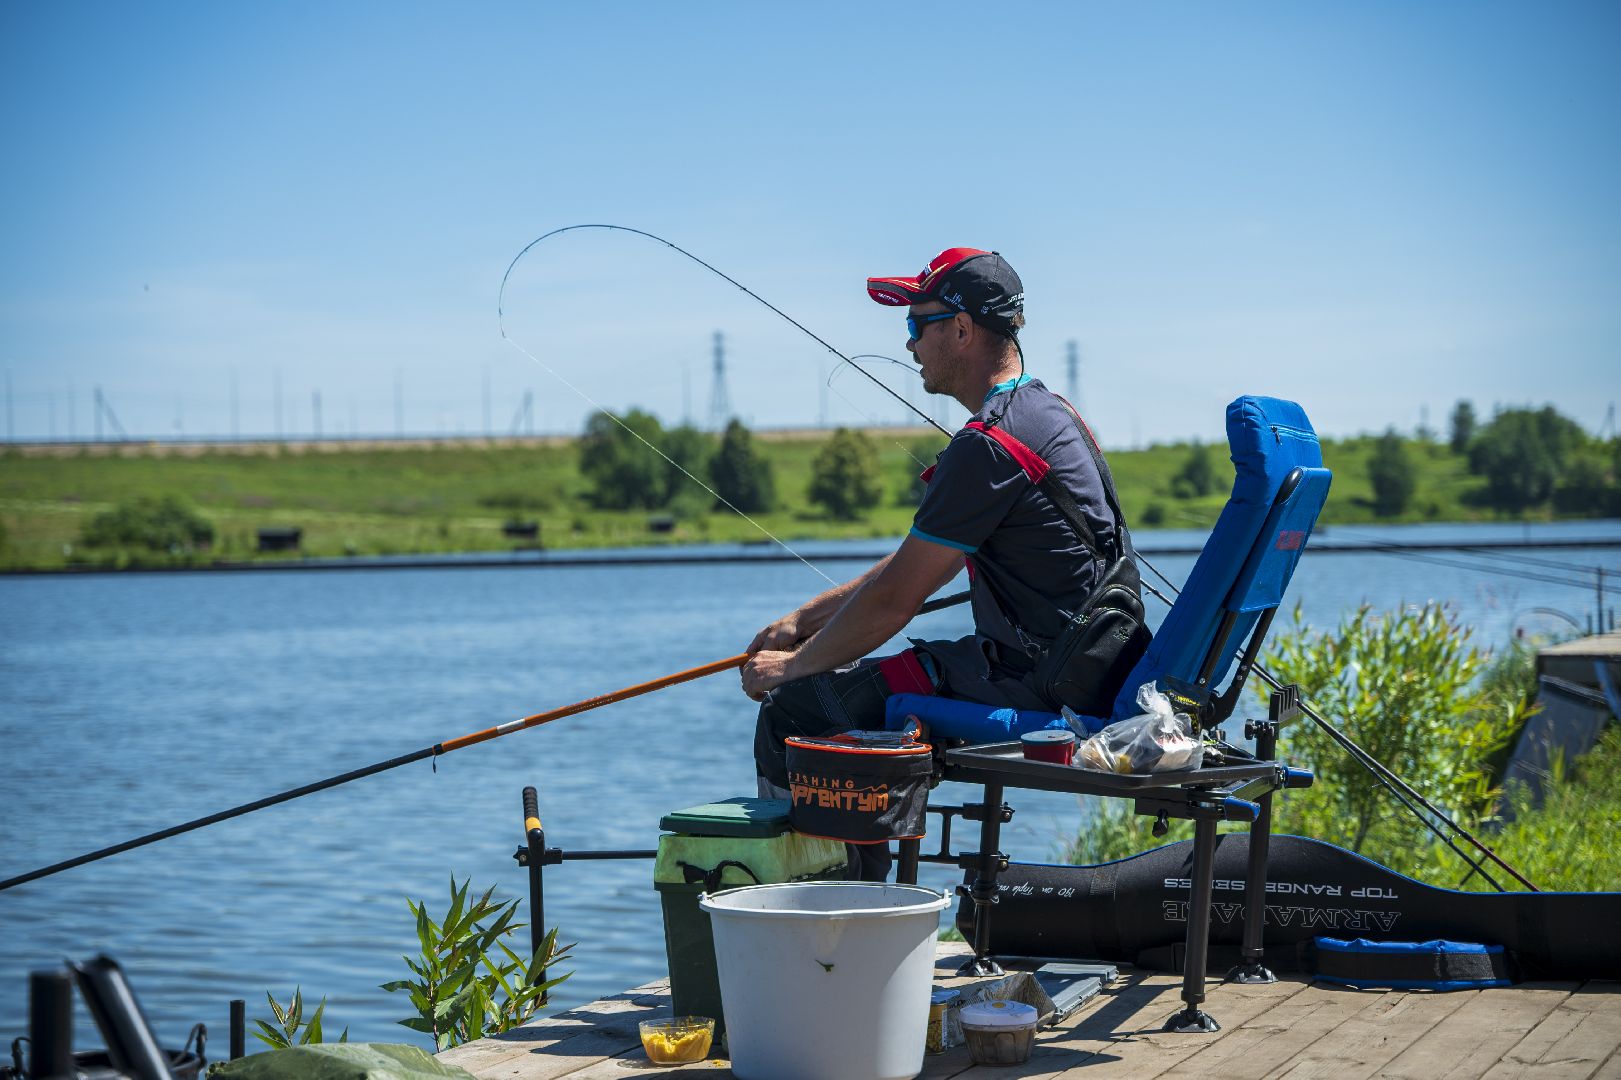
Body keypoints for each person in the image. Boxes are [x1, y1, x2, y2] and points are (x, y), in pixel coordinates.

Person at [742, 247, 1133, 880]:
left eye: (916, 326)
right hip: (1079, 663)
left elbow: (897, 601)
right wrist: (801, 621)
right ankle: (858, 896)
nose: (909, 346)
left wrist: (791, 667)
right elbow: (910, 568)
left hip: (1039, 682)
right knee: (831, 682)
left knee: (798, 708)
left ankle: (831, 919)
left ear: (961, 328)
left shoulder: (990, 446)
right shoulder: (1051, 416)